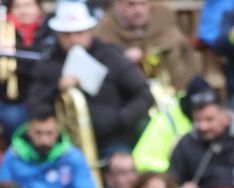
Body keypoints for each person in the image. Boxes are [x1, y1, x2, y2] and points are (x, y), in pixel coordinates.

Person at [26, 1, 153, 152]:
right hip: (65, 144)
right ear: (58, 35)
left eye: (79, 33)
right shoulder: (48, 64)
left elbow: (144, 94)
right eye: (66, 34)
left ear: (90, 31)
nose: (73, 39)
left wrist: (120, 119)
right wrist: (57, 89)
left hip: (114, 137)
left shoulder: (111, 56)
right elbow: (34, 106)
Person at [0, 0, 57, 135]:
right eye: (18, 7)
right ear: (10, 10)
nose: (23, 11)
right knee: (13, 118)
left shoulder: (52, 31)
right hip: (12, 100)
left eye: (28, 5)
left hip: (46, 97)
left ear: (39, 8)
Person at [96, 0, 202, 94]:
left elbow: (187, 51)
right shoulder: (105, 31)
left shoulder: (163, 15)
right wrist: (123, 56)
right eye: (131, 4)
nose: (138, 10)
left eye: (143, 4)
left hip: (179, 86)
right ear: (118, 5)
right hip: (138, 94)